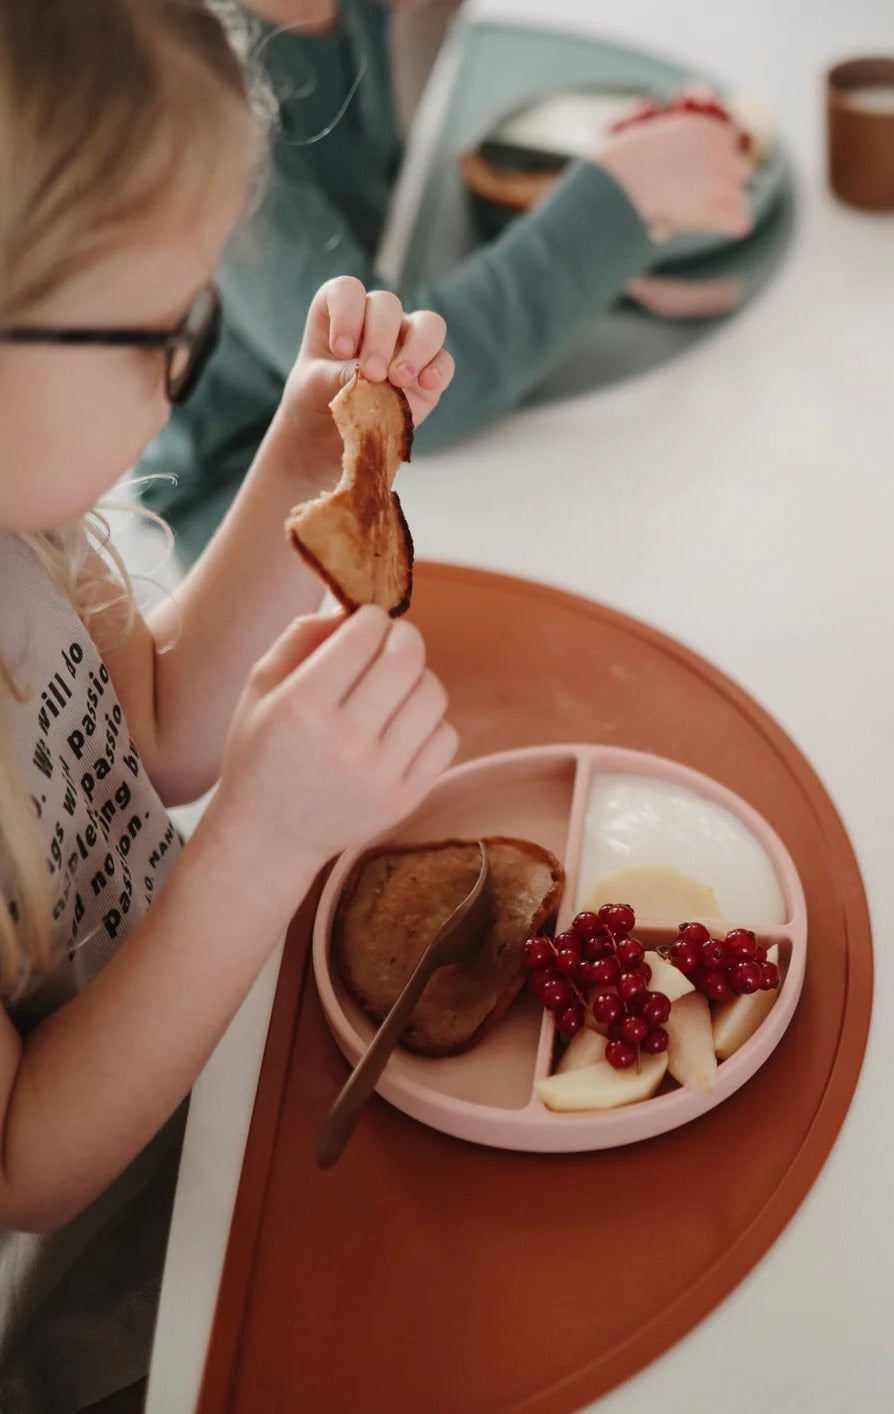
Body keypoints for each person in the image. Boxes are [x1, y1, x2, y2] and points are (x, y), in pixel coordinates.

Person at [0, 3, 458, 1409]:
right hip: (88, 1303)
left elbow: (156, 730)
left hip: (213, 1097)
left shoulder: (29, 521)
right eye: (163, 329)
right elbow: (27, 1163)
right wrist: (260, 847)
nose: (189, 362)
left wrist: (300, 458)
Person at [139, 0, 753, 564]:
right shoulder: (200, 102)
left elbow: (386, 214)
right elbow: (383, 391)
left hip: (366, 398)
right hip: (238, 492)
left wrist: (608, 259)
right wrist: (612, 208)